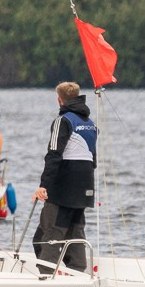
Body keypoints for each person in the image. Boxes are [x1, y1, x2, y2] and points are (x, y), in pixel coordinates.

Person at [35, 82, 98, 272]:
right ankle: (78, 272)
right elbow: (93, 159)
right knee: (75, 232)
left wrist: (43, 185)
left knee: (47, 235)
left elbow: (53, 154)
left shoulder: (62, 121)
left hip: (64, 189)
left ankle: (46, 276)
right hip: (85, 188)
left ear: (59, 99)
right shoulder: (90, 124)